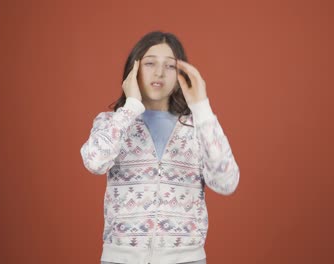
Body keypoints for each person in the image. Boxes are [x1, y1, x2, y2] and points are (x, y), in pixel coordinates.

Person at [80, 31, 240, 264]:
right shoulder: (112, 122)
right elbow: (94, 161)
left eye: (170, 66)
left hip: (186, 259)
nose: (159, 73)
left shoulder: (197, 125)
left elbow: (227, 182)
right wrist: (131, 106)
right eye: (150, 63)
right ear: (133, 71)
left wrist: (202, 107)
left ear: (181, 74)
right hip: (121, 259)